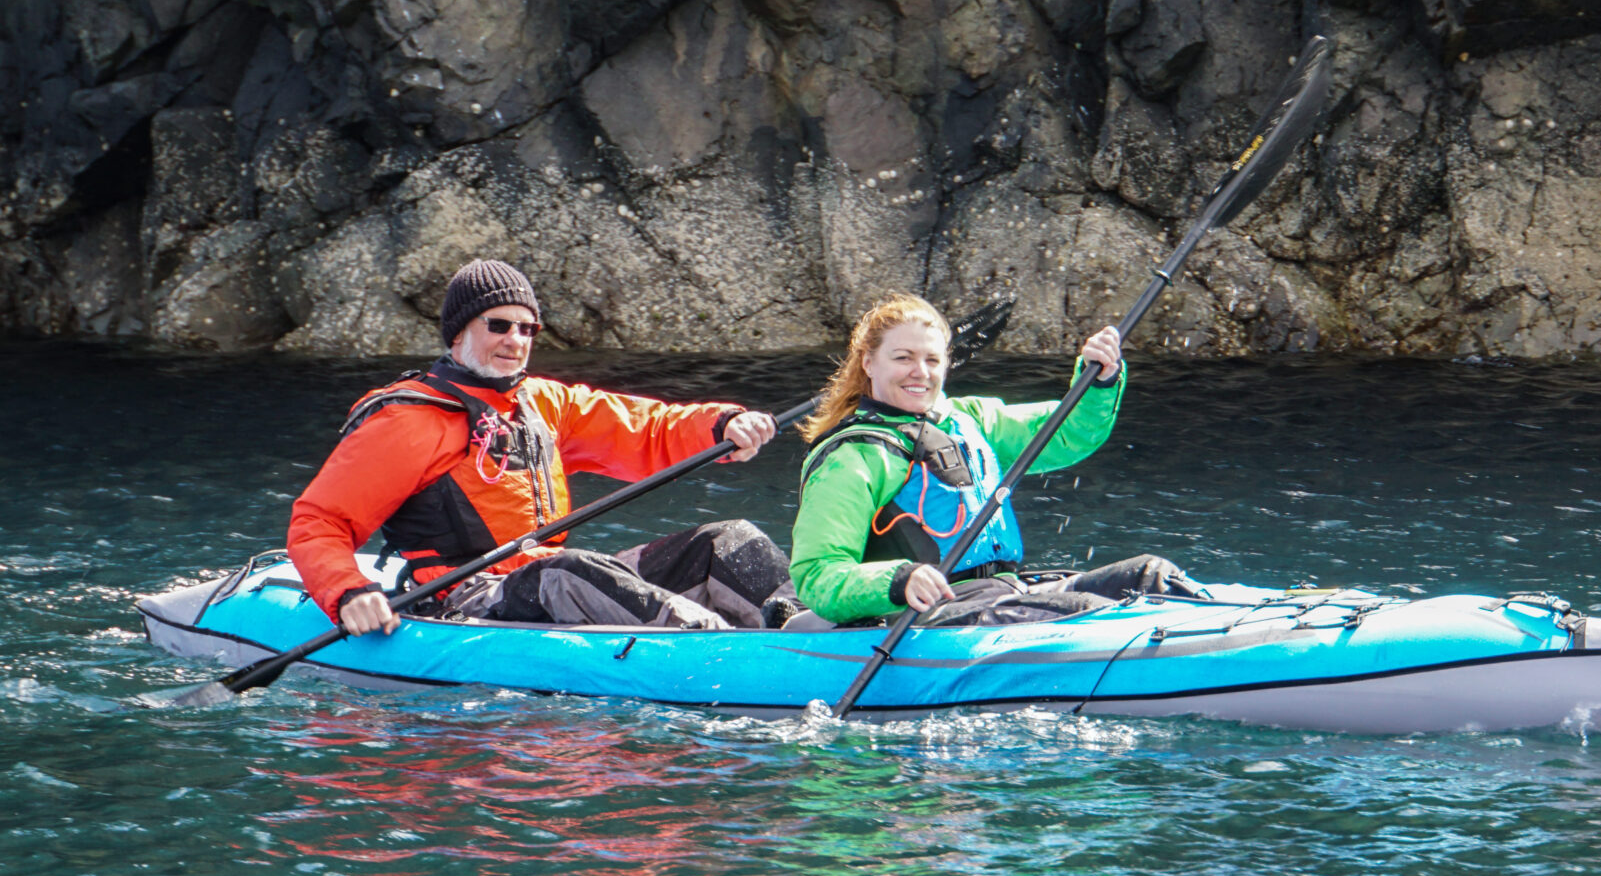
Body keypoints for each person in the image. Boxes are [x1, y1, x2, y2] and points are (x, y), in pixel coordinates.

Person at [288, 259, 798, 636]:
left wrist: (722, 424)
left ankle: (807, 623)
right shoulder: (405, 420)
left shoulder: (544, 402)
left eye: (527, 327)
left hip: (547, 578)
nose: (516, 339)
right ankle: (722, 646)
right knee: (567, 567)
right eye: (499, 325)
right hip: (462, 597)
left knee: (728, 538)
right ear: (459, 331)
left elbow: (647, 428)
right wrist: (348, 591)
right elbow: (320, 521)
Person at [788, 293, 1200, 627]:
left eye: (932, 360)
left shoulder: (970, 420)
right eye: (903, 358)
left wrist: (1100, 380)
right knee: (1085, 614)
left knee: (1151, 575)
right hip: (921, 615)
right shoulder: (852, 456)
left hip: (1002, 594)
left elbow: (1069, 433)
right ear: (868, 362)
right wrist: (898, 579)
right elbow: (818, 574)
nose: (920, 372)